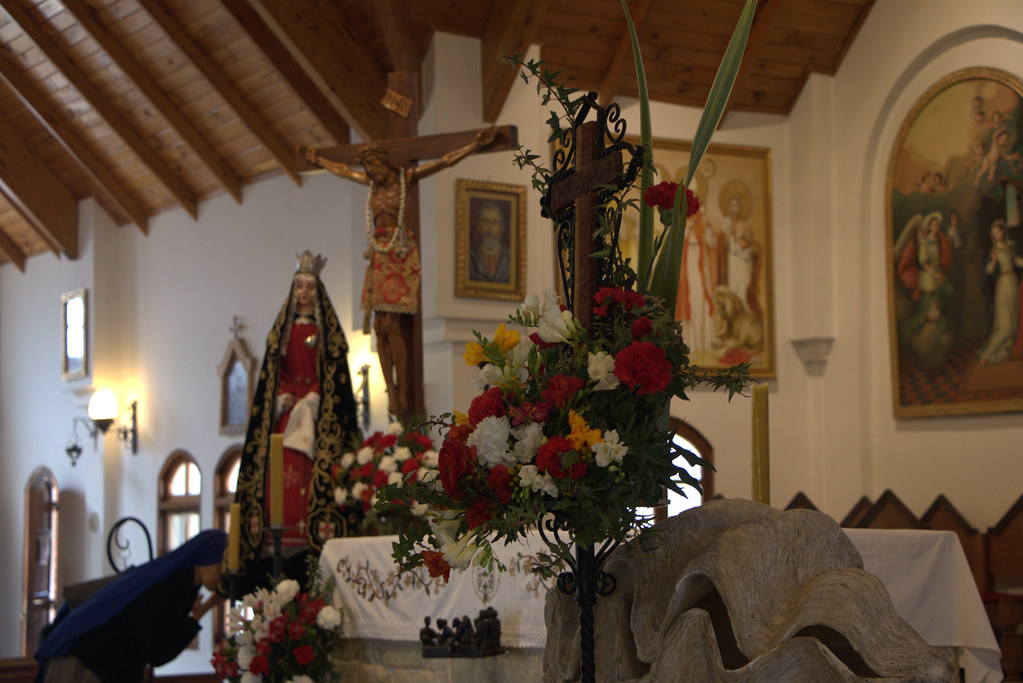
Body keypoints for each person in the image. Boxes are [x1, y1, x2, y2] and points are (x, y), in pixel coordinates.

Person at [299, 128, 497, 417]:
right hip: (379, 256)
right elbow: (343, 171)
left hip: (401, 256)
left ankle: (402, 388)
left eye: (376, 167)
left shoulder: (405, 179)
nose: (373, 173)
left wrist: (473, 145)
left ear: (386, 163)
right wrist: (318, 158)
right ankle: (389, 388)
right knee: (378, 327)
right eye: (369, 169)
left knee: (391, 325)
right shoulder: (371, 186)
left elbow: (445, 160)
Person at [232, 251, 361, 588]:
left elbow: (332, 370)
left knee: (311, 466)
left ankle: (311, 528)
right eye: (299, 286)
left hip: (316, 411)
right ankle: (280, 531)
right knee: (281, 466)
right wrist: (282, 394)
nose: (303, 292)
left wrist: (316, 394)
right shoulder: (283, 334)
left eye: (309, 286)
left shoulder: (323, 332)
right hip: (287, 413)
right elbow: (276, 371)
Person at [35, 530, 226, 683]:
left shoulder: (181, 586)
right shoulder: (169, 587)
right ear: (203, 560)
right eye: (219, 568)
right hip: (85, 666)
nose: (222, 576)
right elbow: (158, 653)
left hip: (97, 666)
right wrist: (195, 618)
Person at [977, 219, 1023, 365]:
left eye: (999, 231)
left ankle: (1003, 350)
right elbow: (988, 271)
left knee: (1013, 324)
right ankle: (987, 354)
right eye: (994, 233)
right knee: (1004, 325)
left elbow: (1017, 262)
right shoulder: (994, 250)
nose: (997, 235)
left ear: (1003, 231)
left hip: (1013, 283)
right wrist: (994, 261)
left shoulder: (1010, 246)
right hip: (1003, 285)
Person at [468, 201, 511, 283]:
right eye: (485, 221)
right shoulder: (470, 256)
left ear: (501, 227)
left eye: (494, 222)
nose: (489, 227)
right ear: (478, 225)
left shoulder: (509, 258)